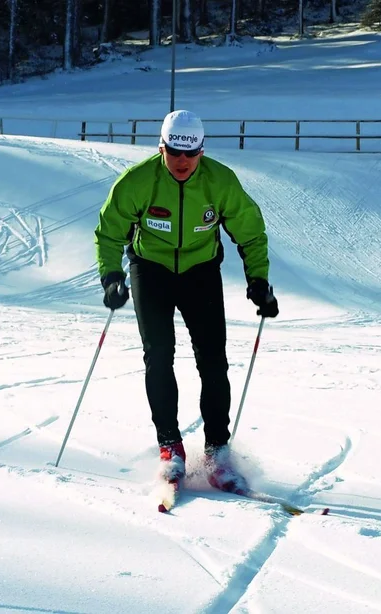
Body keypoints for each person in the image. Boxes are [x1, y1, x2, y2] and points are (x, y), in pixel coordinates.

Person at [94, 110, 278, 490]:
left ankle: (217, 451)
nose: (181, 162)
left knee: (213, 359)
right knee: (158, 353)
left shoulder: (220, 182)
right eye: (174, 152)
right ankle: (170, 447)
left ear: (201, 151)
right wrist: (111, 277)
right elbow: (109, 231)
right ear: (161, 147)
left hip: (201, 271)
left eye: (190, 154)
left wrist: (258, 280)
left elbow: (251, 233)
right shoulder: (138, 182)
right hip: (151, 269)